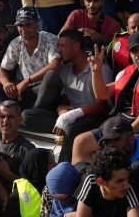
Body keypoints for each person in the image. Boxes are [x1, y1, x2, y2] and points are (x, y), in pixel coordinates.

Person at [41, 29, 110, 162]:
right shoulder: (65, 70)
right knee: (28, 116)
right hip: (70, 117)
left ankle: (62, 167)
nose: (59, 50)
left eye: (62, 46)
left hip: (93, 118)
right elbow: (64, 98)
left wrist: (72, 114)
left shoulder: (101, 69)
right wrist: (61, 110)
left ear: (76, 46)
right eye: (58, 46)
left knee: (71, 128)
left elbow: (100, 106)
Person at [0, 8, 63, 112]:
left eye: (28, 25)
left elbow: (56, 65)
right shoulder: (16, 43)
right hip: (24, 90)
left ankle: (34, 113)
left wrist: (27, 80)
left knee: (51, 75)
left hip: (43, 88)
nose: (24, 29)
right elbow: (2, 70)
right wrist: (6, 83)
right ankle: (8, 113)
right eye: (20, 25)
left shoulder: (50, 39)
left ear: (37, 24)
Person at [69, 148, 139, 217]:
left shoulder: (129, 187)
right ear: (101, 182)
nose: (126, 185)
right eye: (120, 181)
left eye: (127, 178)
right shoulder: (90, 182)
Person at [70, 116, 139, 172]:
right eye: (107, 141)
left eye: (116, 139)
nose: (110, 145)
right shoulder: (116, 154)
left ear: (131, 139)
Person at [2, 148, 53, 217]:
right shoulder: (16, 196)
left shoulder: (57, 190)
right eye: (50, 162)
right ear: (38, 166)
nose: (55, 165)